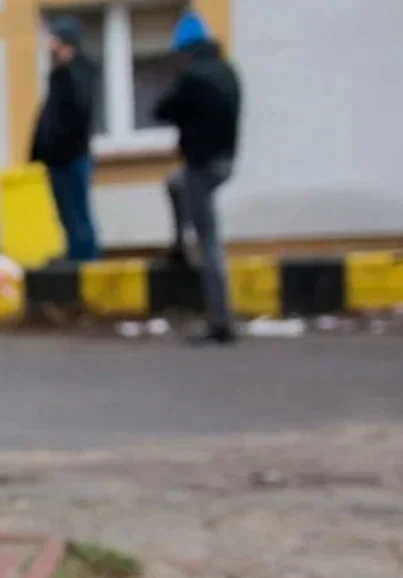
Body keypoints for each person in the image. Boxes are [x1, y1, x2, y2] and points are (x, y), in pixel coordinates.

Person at [154, 10, 242, 345]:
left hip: (201, 166)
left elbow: (161, 109)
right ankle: (179, 245)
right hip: (225, 161)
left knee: (210, 243)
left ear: (185, 49)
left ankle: (221, 322)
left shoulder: (192, 77)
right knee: (173, 185)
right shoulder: (226, 70)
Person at [30, 15, 100, 262]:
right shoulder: (60, 74)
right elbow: (49, 117)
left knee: (77, 214)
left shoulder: (76, 73)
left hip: (71, 157)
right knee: (68, 215)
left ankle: (85, 264)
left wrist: (55, 146)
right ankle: (76, 258)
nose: (49, 44)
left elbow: (75, 116)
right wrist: (37, 151)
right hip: (58, 158)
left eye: (53, 39)